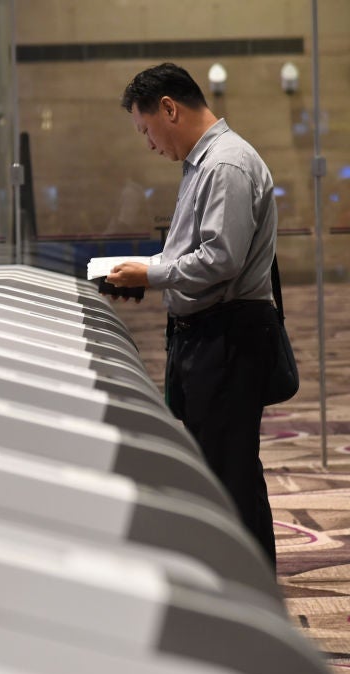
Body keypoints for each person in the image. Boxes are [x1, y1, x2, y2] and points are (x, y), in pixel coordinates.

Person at [107, 62, 280, 570]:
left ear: (169, 108)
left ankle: (248, 592)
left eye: (145, 130)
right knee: (222, 469)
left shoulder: (225, 165)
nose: (149, 144)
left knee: (231, 474)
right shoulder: (202, 165)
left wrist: (152, 276)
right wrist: (143, 272)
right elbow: (190, 252)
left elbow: (220, 259)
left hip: (229, 338)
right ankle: (242, 585)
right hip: (209, 337)